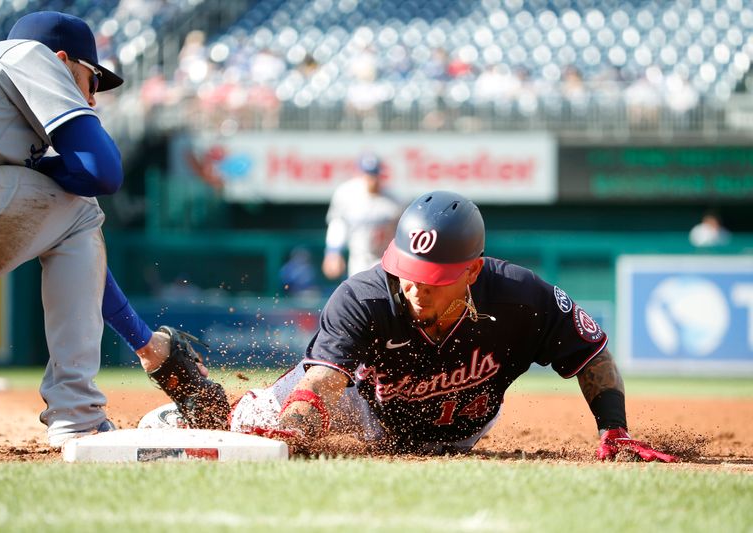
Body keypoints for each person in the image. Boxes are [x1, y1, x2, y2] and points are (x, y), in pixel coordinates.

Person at [138, 191, 677, 462]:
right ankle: (188, 389)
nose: (414, 287)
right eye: (407, 273)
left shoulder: (520, 296)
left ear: (471, 270)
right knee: (250, 425)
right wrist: (292, 429)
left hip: (461, 426)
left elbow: (592, 354)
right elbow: (324, 379)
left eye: (432, 278)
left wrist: (614, 429)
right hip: (363, 403)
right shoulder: (365, 295)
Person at [0, 11, 227, 448]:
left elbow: (70, 234)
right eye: (93, 81)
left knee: (69, 212)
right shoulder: (32, 56)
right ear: (63, 61)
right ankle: (77, 413)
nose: (93, 99)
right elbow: (102, 172)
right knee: (79, 205)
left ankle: (138, 355)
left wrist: (145, 344)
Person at [322, 153, 402, 280]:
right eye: (368, 174)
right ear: (360, 174)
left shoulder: (394, 199)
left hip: (385, 258)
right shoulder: (346, 193)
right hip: (359, 259)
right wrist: (333, 252)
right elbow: (338, 225)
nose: (372, 179)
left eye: (375, 174)